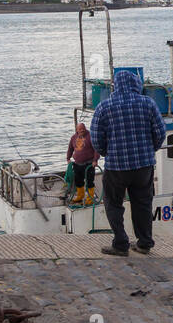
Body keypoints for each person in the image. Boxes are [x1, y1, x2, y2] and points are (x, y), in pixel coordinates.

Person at [90, 68, 166, 256]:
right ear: (135, 85)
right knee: (143, 203)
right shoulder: (148, 104)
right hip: (143, 166)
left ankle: (121, 243)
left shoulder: (104, 107)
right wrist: (150, 150)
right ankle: (144, 243)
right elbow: (160, 132)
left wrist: (108, 152)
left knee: (113, 203)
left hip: (116, 166)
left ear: (116, 86)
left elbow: (96, 138)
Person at [66, 122, 99, 205]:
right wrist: (68, 158)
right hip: (77, 164)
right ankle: (80, 196)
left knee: (90, 181)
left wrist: (95, 160)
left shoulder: (91, 136)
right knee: (78, 181)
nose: (82, 130)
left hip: (89, 164)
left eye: (83, 128)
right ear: (77, 130)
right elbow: (70, 148)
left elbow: (96, 149)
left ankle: (90, 199)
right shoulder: (73, 137)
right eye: (80, 129)